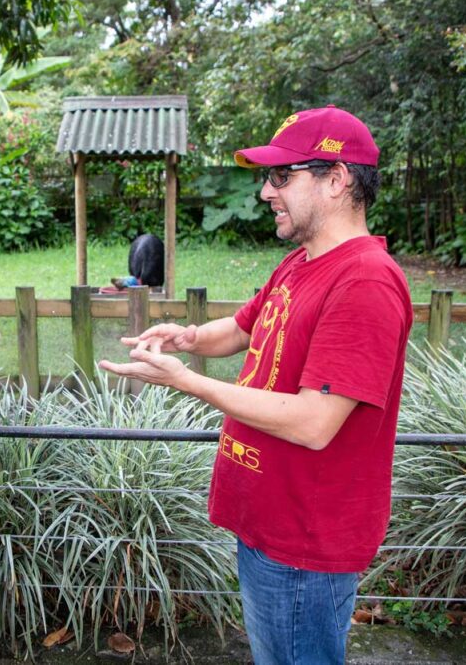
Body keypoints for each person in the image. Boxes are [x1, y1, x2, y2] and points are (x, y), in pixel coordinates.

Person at [99, 106, 413, 664]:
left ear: (337, 180)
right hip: (268, 524)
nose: (267, 192)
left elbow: (315, 424)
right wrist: (187, 337)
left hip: (305, 543)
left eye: (281, 177)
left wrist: (187, 383)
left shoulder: (364, 282)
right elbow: (244, 327)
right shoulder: (301, 262)